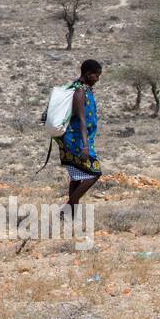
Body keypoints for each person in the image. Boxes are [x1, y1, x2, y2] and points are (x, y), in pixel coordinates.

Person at [60, 59, 103, 216]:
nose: (97, 79)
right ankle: (68, 208)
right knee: (94, 174)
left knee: (77, 177)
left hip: (79, 140)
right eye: (96, 76)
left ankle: (70, 214)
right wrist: (85, 146)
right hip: (76, 141)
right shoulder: (79, 91)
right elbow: (82, 120)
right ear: (87, 74)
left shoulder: (84, 89)